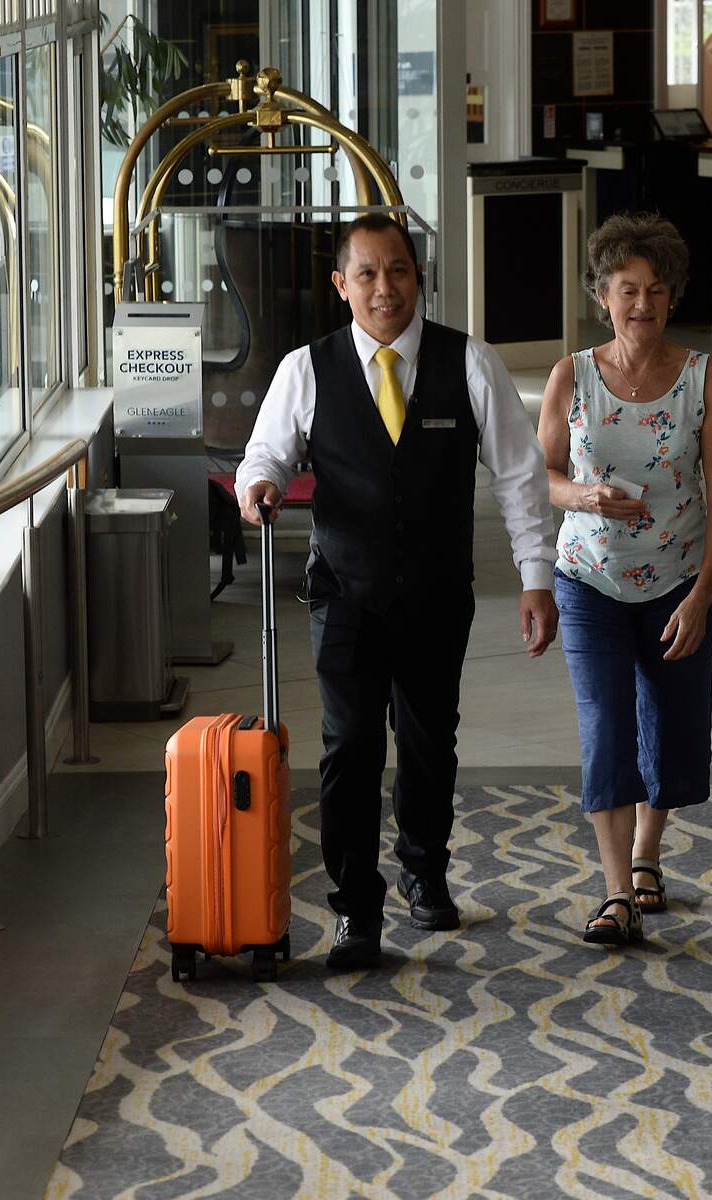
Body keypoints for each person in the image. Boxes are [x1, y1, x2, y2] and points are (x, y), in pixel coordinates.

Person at [236, 214, 559, 971]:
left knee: (425, 741)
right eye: (369, 274)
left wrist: (535, 577)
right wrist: (259, 485)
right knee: (348, 746)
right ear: (341, 285)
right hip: (344, 591)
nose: (387, 288)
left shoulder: (469, 362)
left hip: (438, 591)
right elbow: (267, 454)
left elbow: (519, 479)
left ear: (419, 277)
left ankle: (424, 869)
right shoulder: (305, 369)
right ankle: (355, 910)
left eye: (401, 272)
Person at [538, 214, 712, 946]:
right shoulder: (572, 374)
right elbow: (545, 475)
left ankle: (649, 851)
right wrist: (584, 496)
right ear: (602, 296)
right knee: (607, 728)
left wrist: (703, 592)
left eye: (655, 290)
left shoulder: (702, 378)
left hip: (677, 581)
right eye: (627, 290)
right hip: (588, 580)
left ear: (671, 297)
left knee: (678, 738)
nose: (642, 305)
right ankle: (616, 890)